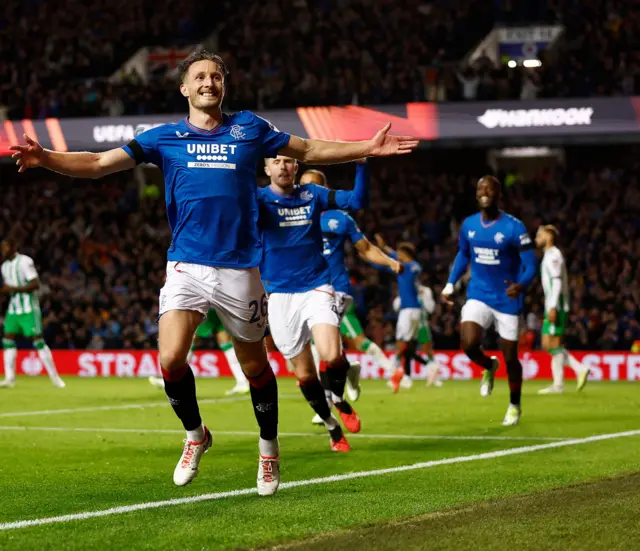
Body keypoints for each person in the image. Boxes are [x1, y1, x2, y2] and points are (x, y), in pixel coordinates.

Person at [10, 50, 418, 493]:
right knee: (169, 359)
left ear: (223, 86)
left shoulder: (250, 129)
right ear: (184, 87)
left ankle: (269, 450)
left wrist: (366, 148)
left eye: (216, 77)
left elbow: (310, 148)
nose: (209, 82)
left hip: (241, 269)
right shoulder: (163, 138)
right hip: (186, 262)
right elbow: (96, 164)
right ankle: (196, 435)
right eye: (199, 76)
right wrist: (46, 157)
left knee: (256, 369)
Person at [260, 155, 383, 451]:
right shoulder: (257, 200)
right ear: (266, 169)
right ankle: (331, 425)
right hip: (279, 296)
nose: (283, 165)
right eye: (276, 161)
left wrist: (361, 165)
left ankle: (340, 398)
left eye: (289, 160)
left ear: (296, 167)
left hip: (317, 286)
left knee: (331, 354)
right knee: (304, 374)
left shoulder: (311, 195)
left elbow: (356, 200)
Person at [300, 165, 401, 403]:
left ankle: (329, 398)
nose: (305, 190)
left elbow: (365, 249)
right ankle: (347, 371)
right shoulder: (293, 218)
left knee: (321, 339)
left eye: (311, 186)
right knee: (321, 344)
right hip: (306, 288)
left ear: (323, 189)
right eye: (302, 185)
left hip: (336, 289)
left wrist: (389, 261)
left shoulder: (339, 218)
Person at [442, 176, 537, 426]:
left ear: (498, 194)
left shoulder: (514, 228)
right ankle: (488, 365)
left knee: (510, 357)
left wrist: (522, 285)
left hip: (506, 299)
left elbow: (530, 264)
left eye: (490, 188)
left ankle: (515, 404)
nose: (484, 192)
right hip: (479, 294)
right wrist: (451, 283)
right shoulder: (469, 225)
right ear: (476, 195)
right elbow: (463, 254)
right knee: (469, 343)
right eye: (480, 188)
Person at [0, 238, 65, 389]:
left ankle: (55, 379)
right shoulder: (4, 266)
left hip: (29, 308)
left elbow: (35, 284)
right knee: (7, 338)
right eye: (2, 248)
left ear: (13, 247)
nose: (3, 250)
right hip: (13, 309)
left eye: (5, 247)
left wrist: (14, 289)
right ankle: (10, 378)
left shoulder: (24, 261)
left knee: (37, 340)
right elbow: (8, 287)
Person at [535, 225, 590, 394]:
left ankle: (577, 370)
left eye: (540, 235)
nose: (537, 238)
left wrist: (552, 307)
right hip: (553, 305)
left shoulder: (554, 255)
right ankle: (559, 383)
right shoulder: (549, 255)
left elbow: (557, 281)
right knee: (550, 345)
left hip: (556, 306)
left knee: (550, 343)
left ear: (549, 237)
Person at [149, 309, 249, 395]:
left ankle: (173, 382)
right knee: (225, 342)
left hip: (204, 306)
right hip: (220, 306)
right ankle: (242, 382)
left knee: (189, 339)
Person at [374, 236, 422, 393]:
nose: (397, 256)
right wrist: (386, 247)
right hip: (416, 309)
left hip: (408, 310)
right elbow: (395, 256)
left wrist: (383, 249)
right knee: (408, 342)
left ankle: (394, 367)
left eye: (400, 253)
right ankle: (406, 376)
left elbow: (392, 259)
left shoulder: (406, 267)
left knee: (401, 340)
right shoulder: (415, 266)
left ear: (405, 254)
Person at [393, 280, 444, 387]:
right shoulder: (405, 289)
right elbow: (396, 306)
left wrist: (423, 298)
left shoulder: (425, 291)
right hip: (408, 323)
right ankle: (402, 375)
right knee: (405, 350)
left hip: (421, 324)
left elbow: (431, 308)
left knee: (427, 351)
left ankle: (434, 376)